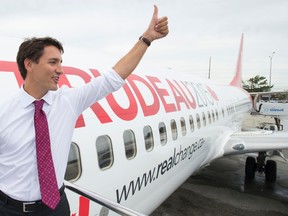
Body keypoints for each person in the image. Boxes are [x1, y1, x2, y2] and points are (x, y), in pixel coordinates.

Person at [0, 5, 168, 216]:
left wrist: (146, 39)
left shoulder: (68, 101)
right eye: (53, 62)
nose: (60, 69)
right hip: (10, 210)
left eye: (60, 62)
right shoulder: (4, 114)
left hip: (56, 207)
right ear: (29, 64)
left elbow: (113, 79)